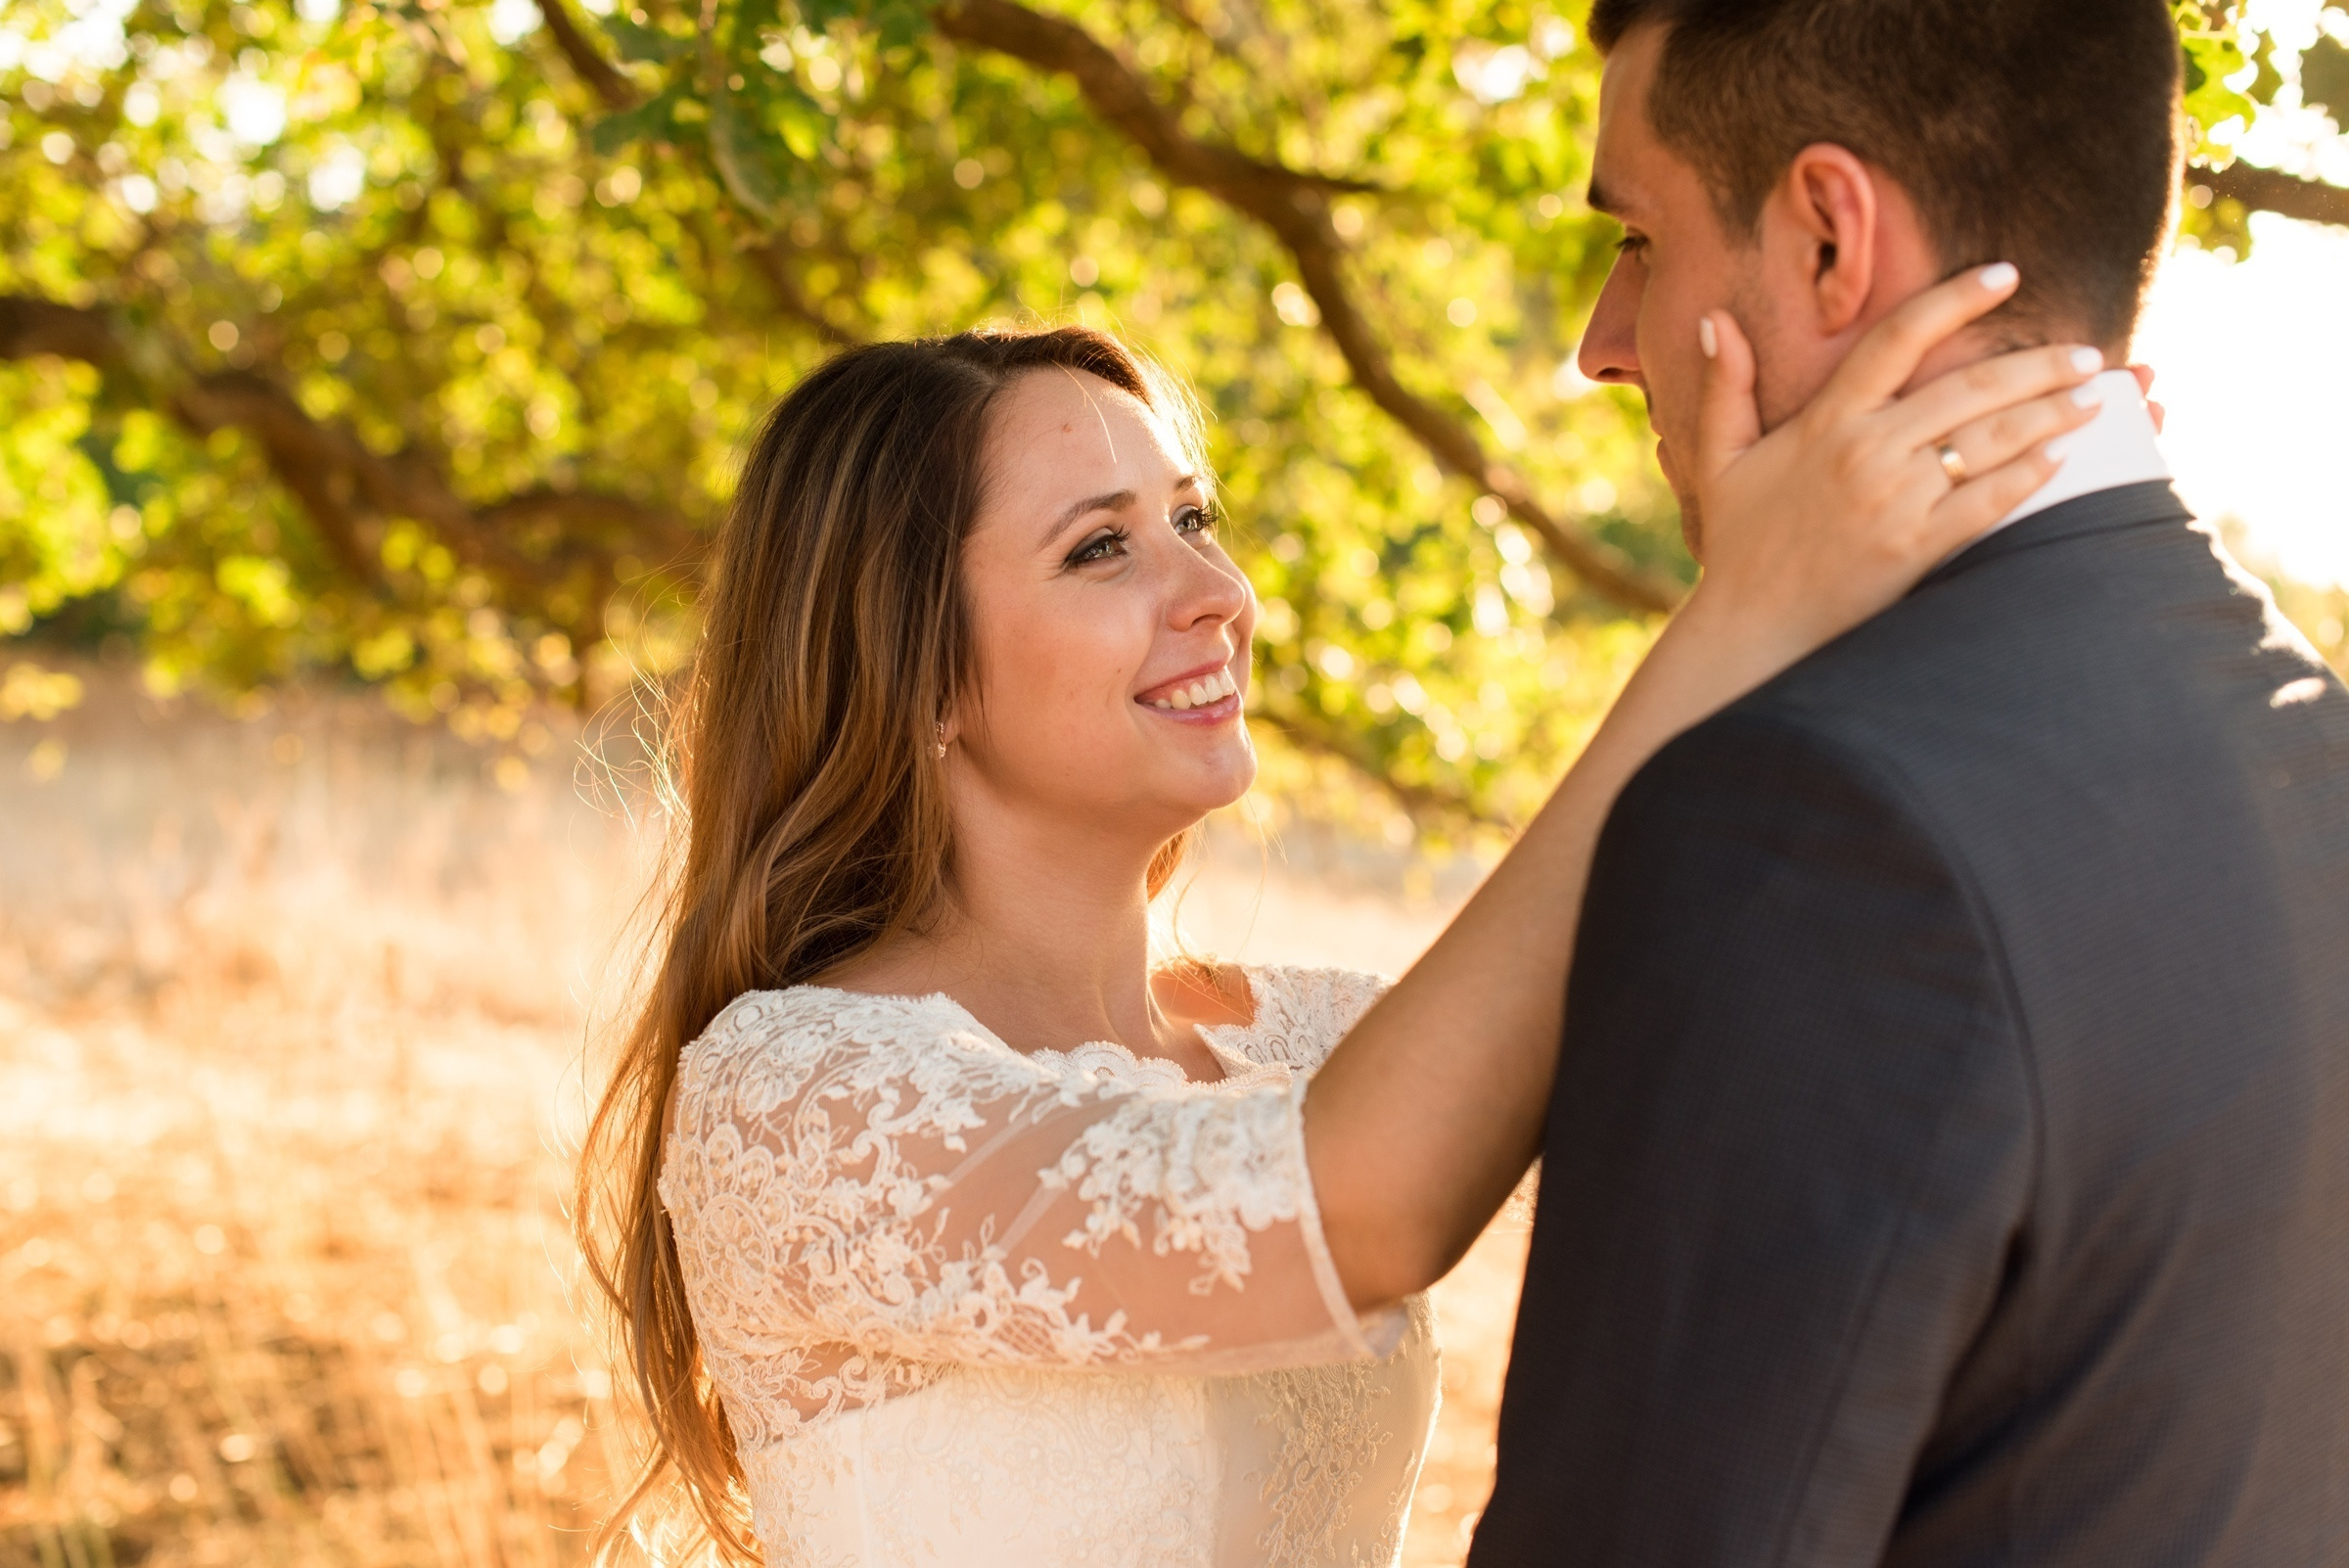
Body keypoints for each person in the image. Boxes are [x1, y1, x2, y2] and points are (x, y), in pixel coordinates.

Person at [575, 274, 2104, 1565]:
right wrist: (1742, 611)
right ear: (918, 673)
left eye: (1195, 516)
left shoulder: (1323, 1035)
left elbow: (1792, 1128)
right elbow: (1344, 1209)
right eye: (1103, 546)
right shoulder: (792, 1098)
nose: (1215, 589)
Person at [1466, 3, 2349, 1565]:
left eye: (1640, 241)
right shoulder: (2308, 741)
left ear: (1825, 237)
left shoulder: (1808, 820)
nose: (1605, 342)